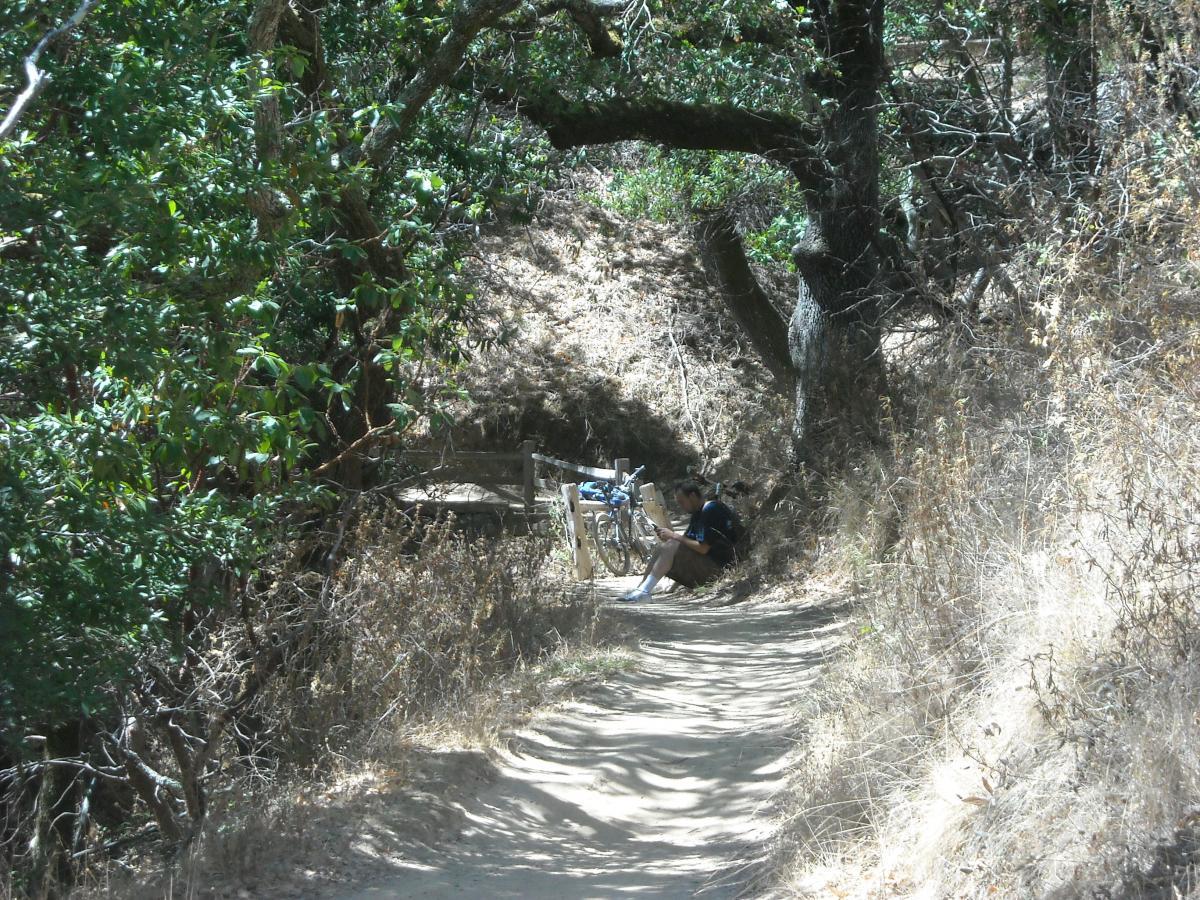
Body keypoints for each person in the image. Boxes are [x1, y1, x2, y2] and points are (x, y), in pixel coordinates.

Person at [618, 480, 739, 603]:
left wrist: (673, 536)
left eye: (682, 502)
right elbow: (686, 542)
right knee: (662, 547)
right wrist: (671, 538)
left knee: (671, 544)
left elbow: (703, 548)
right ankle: (642, 589)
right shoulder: (698, 513)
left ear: (692, 496)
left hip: (720, 569)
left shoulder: (711, 510)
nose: (681, 507)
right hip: (707, 565)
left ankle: (644, 591)